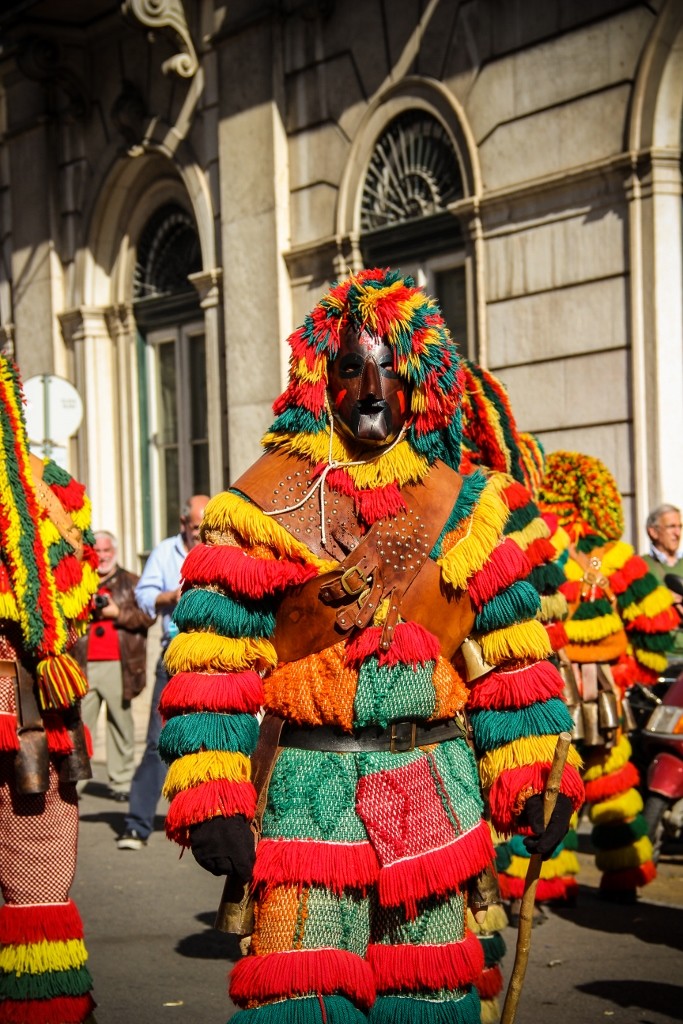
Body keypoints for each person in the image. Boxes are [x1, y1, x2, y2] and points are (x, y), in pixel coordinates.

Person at [156, 269, 585, 1023]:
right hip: (306, 795)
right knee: (304, 997)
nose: (371, 388)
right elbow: (213, 662)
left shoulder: (470, 504)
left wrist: (532, 774)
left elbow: (513, 663)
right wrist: (213, 793)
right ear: (319, 377)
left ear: (424, 380)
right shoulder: (257, 503)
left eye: (391, 367)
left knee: (428, 996)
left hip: (433, 787)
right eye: (351, 367)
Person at [0, 354, 100, 1022]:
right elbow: (78, 592)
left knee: (36, 892)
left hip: (32, 715)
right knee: (36, 894)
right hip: (36, 710)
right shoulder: (53, 490)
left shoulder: (49, 491)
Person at [537, 450, 679, 903]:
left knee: (550, 783)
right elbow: (658, 623)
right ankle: (625, 878)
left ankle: (550, 885)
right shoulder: (616, 556)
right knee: (610, 778)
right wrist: (628, 675)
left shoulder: (541, 550)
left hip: (552, 688)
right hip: (602, 690)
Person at [116, 494, 209, 850]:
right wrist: (170, 597)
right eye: (197, 528)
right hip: (174, 653)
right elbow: (143, 595)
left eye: (206, 528)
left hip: (216, 656)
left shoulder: (223, 549)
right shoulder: (166, 552)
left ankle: (209, 825)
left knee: (216, 741)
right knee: (159, 739)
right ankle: (137, 823)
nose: (202, 535)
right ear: (183, 523)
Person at [74, 531, 154, 800]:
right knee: (80, 725)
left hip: (119, 665)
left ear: (115, 552)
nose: (102, 555)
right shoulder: (79, 581)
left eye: (107, 550)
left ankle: (120, 784)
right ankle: (76, 783)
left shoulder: (131, 581)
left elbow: (147, 616)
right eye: (97, 551)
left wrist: (117, 613)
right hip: (83, 664)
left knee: (120, 725)